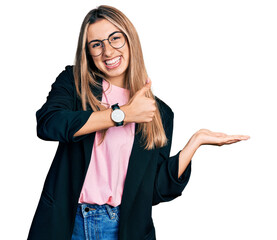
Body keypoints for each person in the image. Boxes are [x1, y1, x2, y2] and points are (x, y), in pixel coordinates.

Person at [27, 5, 250, 240]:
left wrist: (196, 142)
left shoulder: (158, 112)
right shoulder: (74, 84)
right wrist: (121, 114)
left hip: (122, 229)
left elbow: (153, 191)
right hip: (66, 224)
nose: (108, 51)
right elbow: (48, 124)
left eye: (115, 39)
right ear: (88, 52)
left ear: (130, 39)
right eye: (96, 44)